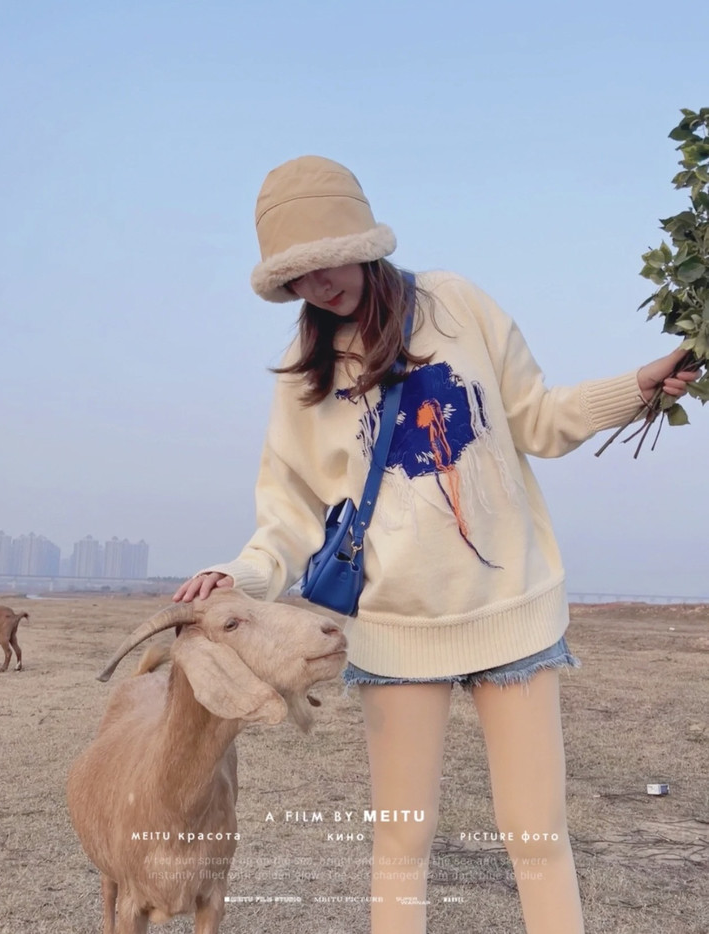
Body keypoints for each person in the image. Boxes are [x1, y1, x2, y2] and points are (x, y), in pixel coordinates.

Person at [173, 155, 696, 934]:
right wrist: (235, 574)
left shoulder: (456, 302)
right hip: (397, 629)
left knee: (537, 838)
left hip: (510, 610)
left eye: (326, 258)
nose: (317, 284)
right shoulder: (304, 375)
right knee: (401, 846)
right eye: (296, 276)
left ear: (362, 240)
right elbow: (288, 516)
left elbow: (539, 418)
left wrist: (638, 387)